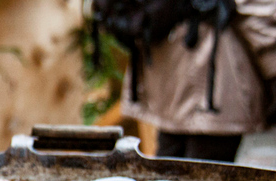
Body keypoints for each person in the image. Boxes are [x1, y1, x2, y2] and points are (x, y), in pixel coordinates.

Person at [116, 0, 276, 162]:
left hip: (166, 73)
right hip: (214, 86)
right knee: (205, 172)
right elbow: (260, 16)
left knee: (169, 166)